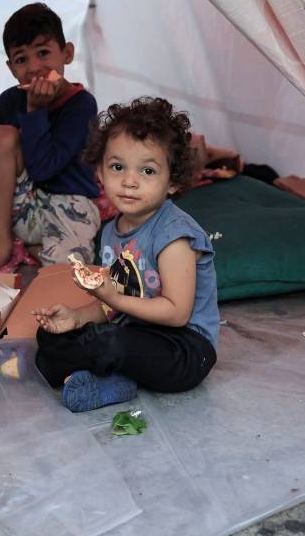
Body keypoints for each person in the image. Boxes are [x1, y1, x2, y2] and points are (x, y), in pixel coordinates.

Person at [32, 96, 219, 412]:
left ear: (172, 181)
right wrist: (76, 317)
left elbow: (176, 313)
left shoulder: (174, 236)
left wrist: (112, 300)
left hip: (184, 350)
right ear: (100, 174)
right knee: (50, 336)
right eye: (118, 167)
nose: (130, 182)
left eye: (147, 171)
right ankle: (114, 380)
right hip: (135, 332)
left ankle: (97, 371)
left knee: (111, 343)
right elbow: (112, 303)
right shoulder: (109, 231)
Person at [0, 2, 101, 273]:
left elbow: (45, 167)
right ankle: (3, 248)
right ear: (11, 67)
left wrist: (35, 110)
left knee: (66, 274)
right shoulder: (8, 101)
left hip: (69, 204)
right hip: (21, 206)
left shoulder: (81, 105)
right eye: (22, 59)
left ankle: (40, 248)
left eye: (44, 53)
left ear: (67, 54)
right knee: (0, 136)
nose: (34, 67)